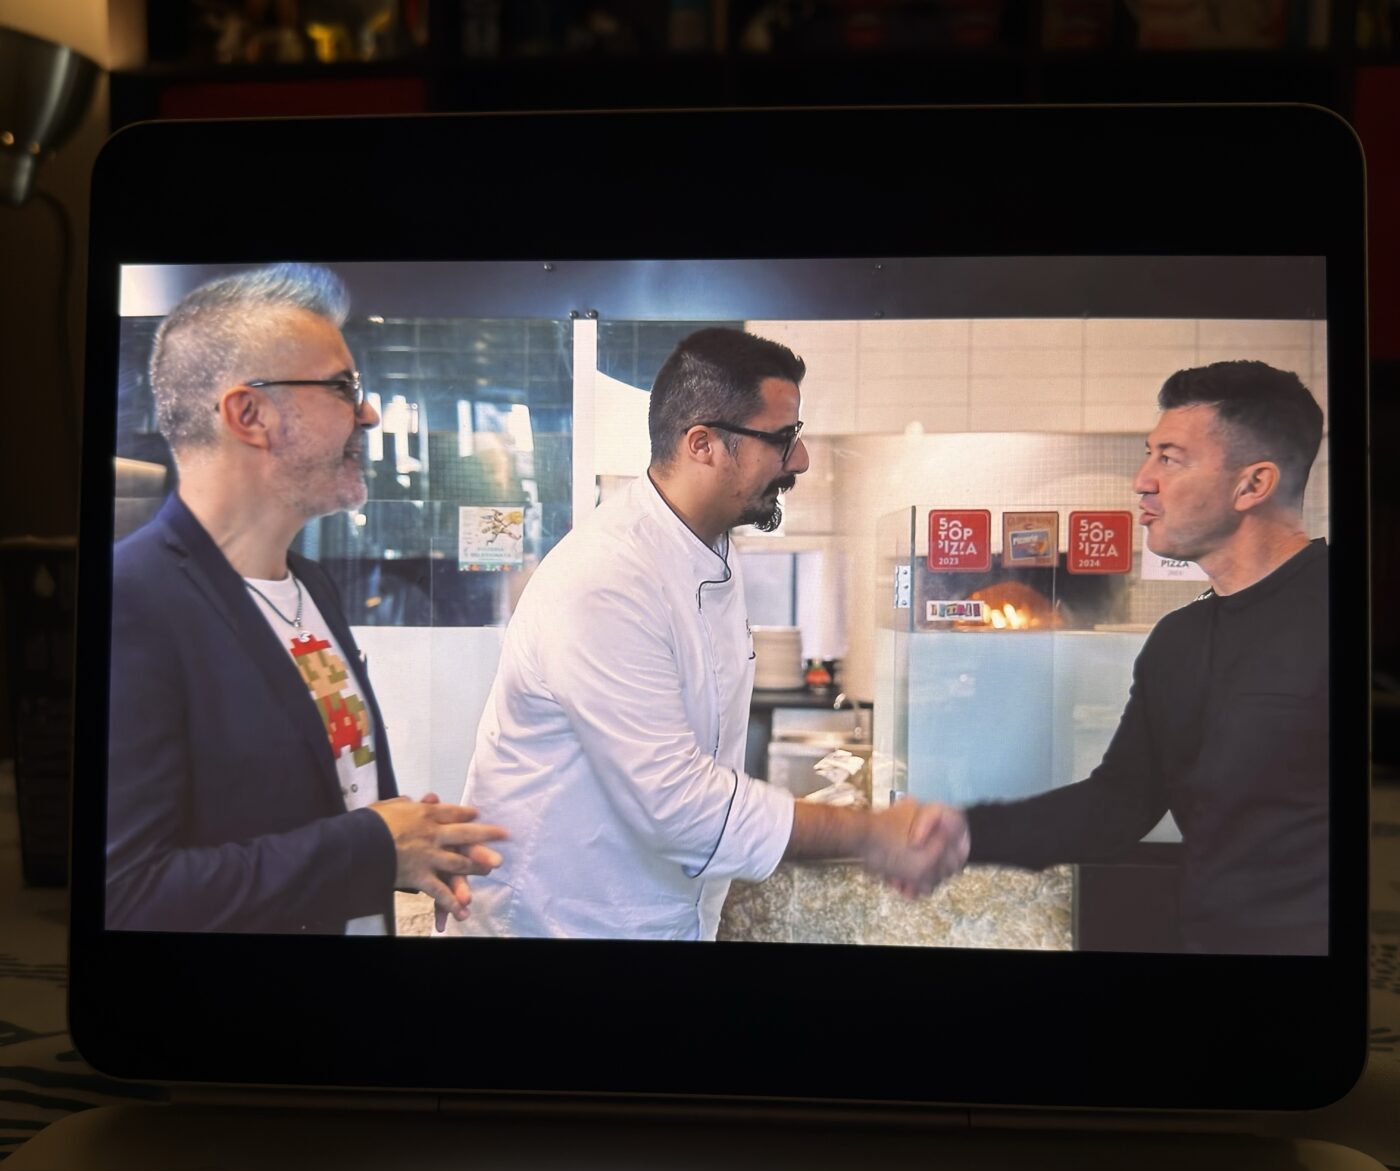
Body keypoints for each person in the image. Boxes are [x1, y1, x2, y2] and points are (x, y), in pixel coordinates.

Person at [459, 327, 966, 940]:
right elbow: (677, 805)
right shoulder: (606, 578)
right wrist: (868, 832)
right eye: (781, 439)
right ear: (702, 444)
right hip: (557, 925)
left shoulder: (708, 548)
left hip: (650, 918)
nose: (800, 460)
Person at [106, 263, 505, 934]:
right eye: (344, 387)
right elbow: (126, 895)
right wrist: (376, 847)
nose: (368, 413)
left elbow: (324, 800)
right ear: (249, 414)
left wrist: (415, 847)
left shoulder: (310, 585)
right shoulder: (134, 599)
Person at [921, 359, 1329, 955]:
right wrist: (959, 833)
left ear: (1252, 485)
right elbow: (1117, 804)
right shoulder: (1179, 639)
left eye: (1170, 458)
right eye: (1148, 455)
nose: (1142, 480)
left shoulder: (1349, 611)